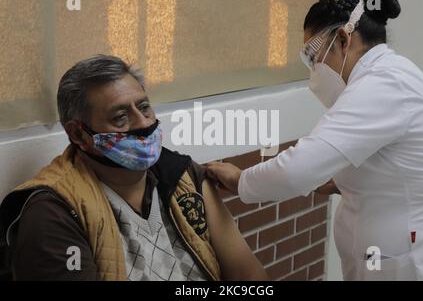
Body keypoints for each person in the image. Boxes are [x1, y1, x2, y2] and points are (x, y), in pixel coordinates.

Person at [206, 0, 423, 280]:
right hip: (391, 249)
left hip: (411, 258)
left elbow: (296, 170)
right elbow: (386, 166)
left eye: (313, 53)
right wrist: (333, 179)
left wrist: (240, 180)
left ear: (344, 39)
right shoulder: (388, 76)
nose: (314, 67)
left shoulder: (383, 85)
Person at [0, 55, 267, 281]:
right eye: (120, 117)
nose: (142, 123)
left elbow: (250, 277)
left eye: (144, 107)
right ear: (79, 135)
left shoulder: (183, 176)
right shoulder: (54, 213)